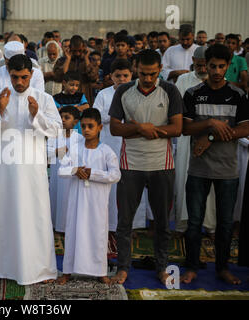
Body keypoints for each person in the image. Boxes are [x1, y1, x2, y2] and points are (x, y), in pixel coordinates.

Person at [0, 54, 61, 285]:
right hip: (3, 169)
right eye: (15, 77)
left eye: (24, 77)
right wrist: (0, 110)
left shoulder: (43, 99)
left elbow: (56, 130)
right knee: (0, 214)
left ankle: (38, 268)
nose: (20, 82)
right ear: (9, 74)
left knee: (34, 215)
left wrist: (37, 115)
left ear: (32, 75)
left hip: (32, 169)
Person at [108, 49, 184, 285]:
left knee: (162, 222)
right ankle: (123, 268)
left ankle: (162, 267)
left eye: (152, 74)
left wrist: (150, 129)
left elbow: (177, 128)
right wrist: (142, 129)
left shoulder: (170, 90)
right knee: (124, 222)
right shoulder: (123, 90)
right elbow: (114, 128)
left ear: (160, 69)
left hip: (162, 165)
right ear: (135, 68)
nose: (148, 78)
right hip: (131, 165)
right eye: (143, 73)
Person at [180, 44, 249, 286]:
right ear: (204, 66)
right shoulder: (193, 93)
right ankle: (191, 267)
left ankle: (222, 267)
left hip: (228, 170)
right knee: (195, 221)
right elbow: (185, 128)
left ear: (229, 67)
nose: (217, 71)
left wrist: (210, 136)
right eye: (213, 66)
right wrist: (210, 122)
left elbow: (245, 128)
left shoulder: (238, 96)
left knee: (226, 223)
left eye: (222, 66)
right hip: (198, 168)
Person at [57, 108, 121, 285]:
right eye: (83, 126)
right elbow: (61, 170)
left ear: (100, 127)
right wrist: (75, 170)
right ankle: (68, 271)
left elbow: (116, 175)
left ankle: (100, 271)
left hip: (97, 203)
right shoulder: (75, 149)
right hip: (76, 202)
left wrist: (93, 174)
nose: (86, 130)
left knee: (97, 234)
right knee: (73, 233)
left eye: (90, 126)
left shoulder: (106, 151)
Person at [174, 46, 216, 237]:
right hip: (186, 138)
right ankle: (183, 224)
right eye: (198, 65)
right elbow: (178, 110)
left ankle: (210, 226)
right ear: (193, 61)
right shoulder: (183, 80)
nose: (202, 69)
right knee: (184, 179)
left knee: (212, 183)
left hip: (212, 140)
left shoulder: (218, 82)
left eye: (205, 65)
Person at [93, 59, 133, 233]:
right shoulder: (104, 94)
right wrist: (115, 114)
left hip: (130, 146)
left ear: (132, 75)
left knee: (129, 184)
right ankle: (108, 224)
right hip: (109, 144)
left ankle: (131, 224)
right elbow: (96, 116)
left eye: (126, 75)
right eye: (118, 76)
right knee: (110, 184)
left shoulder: (137, 93)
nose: (122, 79)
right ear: (111, 76)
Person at [48, 106, 84, 234]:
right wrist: (58, 151)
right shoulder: (54, 137)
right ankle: (54, 226)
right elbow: (45, 153)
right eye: (61, 117)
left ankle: (69, 227)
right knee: (56, 200)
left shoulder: (80, 138)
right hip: (57, 178)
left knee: (70, 201)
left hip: (72, 179)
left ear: (75, 122)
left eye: (67, 117)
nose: (63, 120)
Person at [0, 42, 45, 112]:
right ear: (4, 58)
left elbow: (40, 101)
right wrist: (1, 108)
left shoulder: (36, 74)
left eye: (24, 77)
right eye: (10, 64)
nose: (13, 69)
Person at [53, 35, 99, 105]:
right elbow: (58, 77)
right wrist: (68, 60)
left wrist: (86, 59)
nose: (77, 53)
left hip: (85, 96)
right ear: (70, 48)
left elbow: (93, 77)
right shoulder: (62, 60)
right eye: (74, 51)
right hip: (66, 98)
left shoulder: (90, 60)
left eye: (80, 50)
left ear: (84, 47)